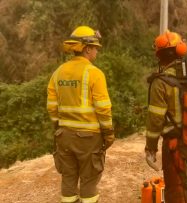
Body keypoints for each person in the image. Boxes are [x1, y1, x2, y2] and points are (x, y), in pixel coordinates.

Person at [47, 25, 115, 203]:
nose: (96, 52)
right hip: (89, 139)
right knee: (89, 180)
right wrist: (108, 133)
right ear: (87, 49)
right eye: (95, 48)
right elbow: (103, 108)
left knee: (68, 178)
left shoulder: (58, 73)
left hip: (64, 135)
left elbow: (52, 107)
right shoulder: (94, 73)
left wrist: (59, 128)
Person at [145, 31, 187, 203]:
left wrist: (151, 147)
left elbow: (155, 120)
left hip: (174, 146)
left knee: (176, 190)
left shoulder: (160, 82)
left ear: (159, 55)